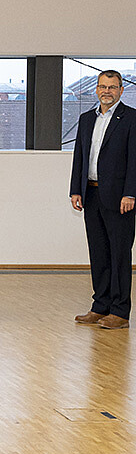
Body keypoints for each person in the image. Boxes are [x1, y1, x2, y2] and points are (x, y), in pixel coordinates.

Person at [69, 70, 136, 329]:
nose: (106, 91)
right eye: (102, 86)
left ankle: (119, 311)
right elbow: (80, 157)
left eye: (112, 87)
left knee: (119, 254)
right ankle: (100, 306)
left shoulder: (130, 119)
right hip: (92, 193)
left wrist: (131, 193)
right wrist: (76, 189)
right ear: (96, 89)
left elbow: (134, 160)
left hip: (120, 198)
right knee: (98, 253)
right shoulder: (87, 119)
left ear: (121, 90)